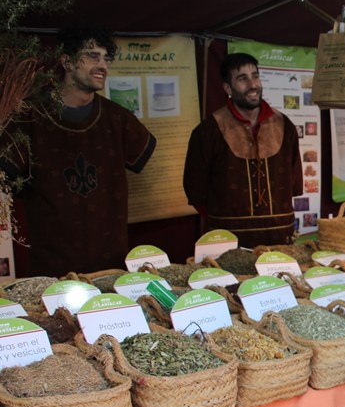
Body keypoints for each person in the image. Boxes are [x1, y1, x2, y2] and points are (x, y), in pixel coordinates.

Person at [2, 27, 156, 277]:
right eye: (93, 56)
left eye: (106, 58)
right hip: (52, 262)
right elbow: (8, 175)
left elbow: (141, 153)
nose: (102, 65)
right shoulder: (30, 117)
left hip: (110, 261)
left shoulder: (118, 120)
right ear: (67, 61)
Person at [183, 53, 302, 248]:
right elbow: (196, 191)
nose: (252, 84)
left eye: (255, 76)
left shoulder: (285, 125)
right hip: (228, 243)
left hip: (280, 241)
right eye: (242, 79)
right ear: (227, 88)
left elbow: (294, 184)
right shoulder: (208, 131)